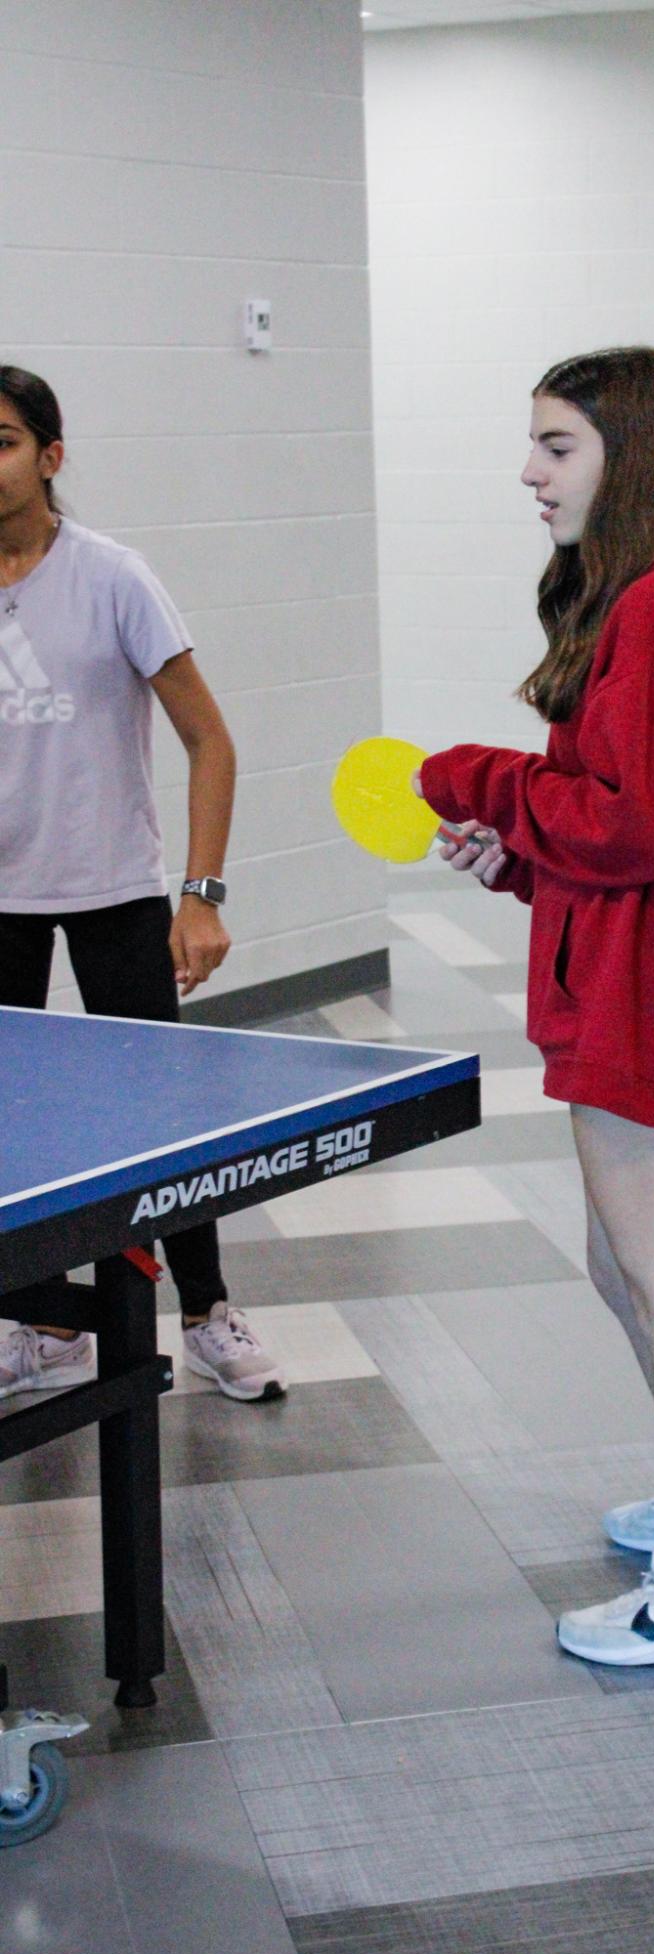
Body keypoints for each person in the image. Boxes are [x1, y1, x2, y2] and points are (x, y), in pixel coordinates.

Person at [416, 347, 654, 1667]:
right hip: (634, 984)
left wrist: (471, 778)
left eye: (556, 446)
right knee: (619, 1262)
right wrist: (516, 849)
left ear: (628, 454)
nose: (530, 471)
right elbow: (628, 826)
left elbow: (632, 829)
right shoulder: (652, 598)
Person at [0, 364, 285, 1403]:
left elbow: (209, 738)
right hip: (0, 901)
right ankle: (43, 1324)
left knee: (161, 1117)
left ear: (51, 455)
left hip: (112, 885)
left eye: (2, 441)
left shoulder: (113, 576)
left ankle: (207, 1309)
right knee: (8, 1123)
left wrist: (201, 892)